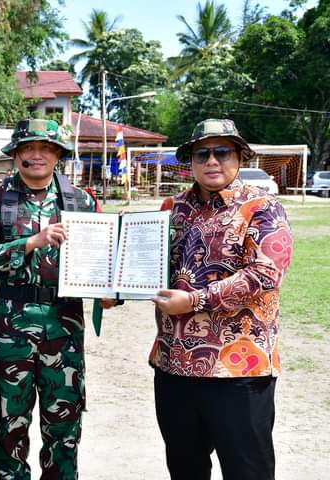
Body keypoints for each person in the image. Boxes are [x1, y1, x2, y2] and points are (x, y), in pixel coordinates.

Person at [151, 119, 293, 479]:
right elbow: (147, 264)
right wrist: (115, 290)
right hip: (175, 364)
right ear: (192, 161)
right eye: (203, 153)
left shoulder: (262, 207)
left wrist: (196, 301)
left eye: (222, 152)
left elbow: (265, 273)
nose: (212, 160)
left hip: (238, 368)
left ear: (240, 157)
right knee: (185, 469)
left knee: (247, 471)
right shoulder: (172, 207)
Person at [0, 118, 99, 479]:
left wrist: (110, 291)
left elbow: (102, 260)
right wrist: (29, 243)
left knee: (65, 423)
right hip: (13, 325)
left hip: (65, 323)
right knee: (13, 422)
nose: (37, 154)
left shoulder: (81, 201)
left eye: (46, 147)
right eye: (29, 148)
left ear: (58, 154)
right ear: (16, 155)